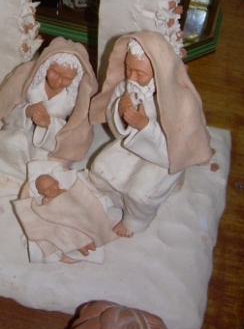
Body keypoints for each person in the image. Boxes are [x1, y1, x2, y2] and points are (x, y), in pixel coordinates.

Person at [89, 31, 212, 237]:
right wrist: (120, 111)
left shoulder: (180, 102)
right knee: (101, 168)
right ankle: (109, 199)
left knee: (140, 192)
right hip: (132, 147)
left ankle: (135, 220)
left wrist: (145, 127)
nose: (131, 77)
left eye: (140, 72)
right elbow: (119, 132)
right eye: (128, 68)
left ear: (160, 72)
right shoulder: (126, 88)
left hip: (161, 158)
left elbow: (174, 150)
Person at [0, 37, 97, 196]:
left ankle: (6, 170)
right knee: (15, 142)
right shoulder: (32, 85)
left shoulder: (72, 98)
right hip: (20, 129)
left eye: (67, 79)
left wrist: (49, 124)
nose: (59, 81)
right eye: (56, 73)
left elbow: (74, 130)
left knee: (47, 167)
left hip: (48, 142)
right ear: (47, 65)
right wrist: (27, 111)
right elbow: (8, 110)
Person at [35, 174, 96, 256]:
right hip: (62, 221)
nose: (51, 189)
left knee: (82, 228)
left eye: (53, 185)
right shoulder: (46, 200)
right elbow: (47, 213)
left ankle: (88, 242)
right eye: (46, 189)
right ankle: (80, 247)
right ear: (41, 193)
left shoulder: (64, 192)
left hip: (73, 215)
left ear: (57, 183)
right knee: (70, 234)